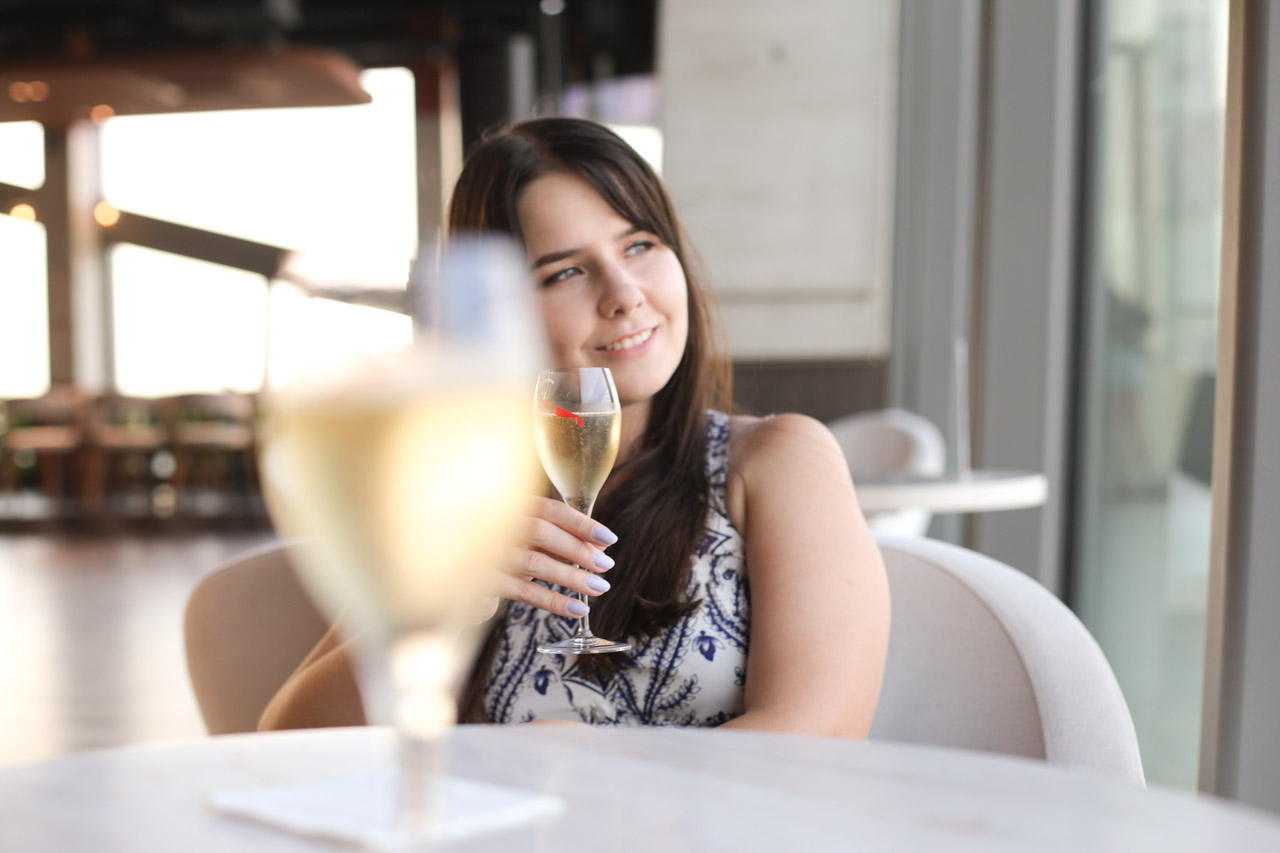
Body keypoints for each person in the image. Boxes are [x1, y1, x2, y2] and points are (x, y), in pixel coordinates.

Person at [260, 117, 889, 737]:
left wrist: (596, 771)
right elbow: (289, 739)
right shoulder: (464, 492)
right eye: (565, 272)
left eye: (639, 245)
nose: (624, 294)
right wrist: (447, 600)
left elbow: (820, 737)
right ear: (500, 313)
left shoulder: (776, 460)